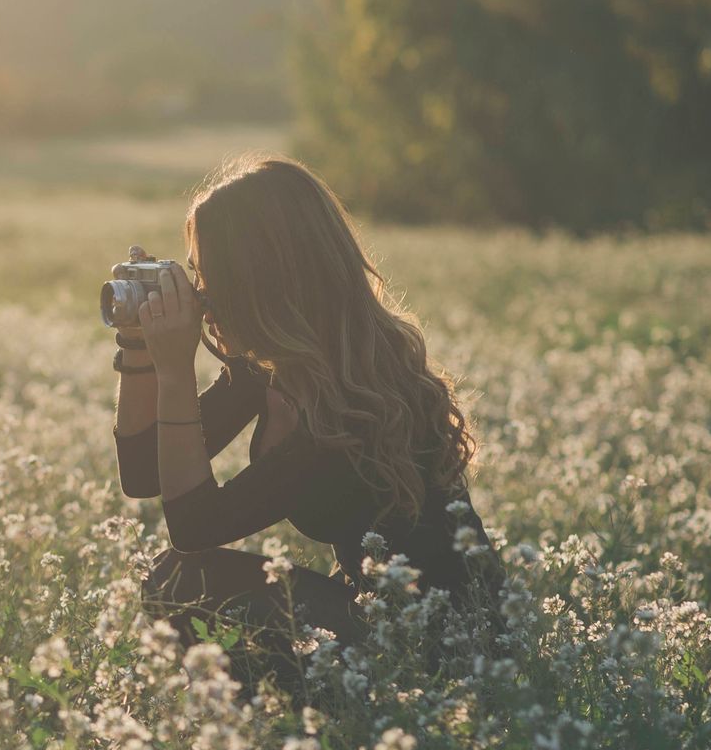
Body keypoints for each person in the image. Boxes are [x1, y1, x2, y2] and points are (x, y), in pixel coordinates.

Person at [112, 154, 496, 687]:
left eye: (209, 276)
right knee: (174, 580)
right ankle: (281, 725)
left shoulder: (347, 403)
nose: (200, 297)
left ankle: (296, 728)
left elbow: (194, 528)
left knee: (177, 579)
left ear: (260, 279)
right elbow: (143, 476)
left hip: (441, 646)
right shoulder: (270, 367)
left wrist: (176, 370)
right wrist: (136, 346)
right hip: (376, 617)